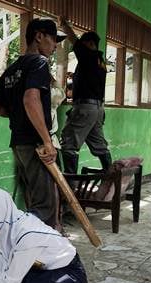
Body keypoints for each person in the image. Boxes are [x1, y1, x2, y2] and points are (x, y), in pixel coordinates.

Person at [0, 19, 65, 229]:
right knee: (45, 205)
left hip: (19, 143)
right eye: (53, 39)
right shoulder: (38, 62)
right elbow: (31, 100)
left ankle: (31, 248)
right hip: (35, 144)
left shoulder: (11, 70)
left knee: (35, 198)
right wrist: (46, 141)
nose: (55, 45)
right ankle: (24, 247)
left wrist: (19, 117)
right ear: (39, 36)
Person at [58, 16, 113, 174]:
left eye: (83, 44)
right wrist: (73, 79)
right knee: (99, 144)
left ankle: (71, 188)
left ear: (89, 44)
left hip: (85, 108)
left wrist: (64, 24)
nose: (79, 48)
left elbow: (74, 40)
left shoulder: (88, 55)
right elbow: (89, 82)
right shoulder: (99, 62)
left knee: (68, 144)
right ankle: (111, 181)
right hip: (97, 109)